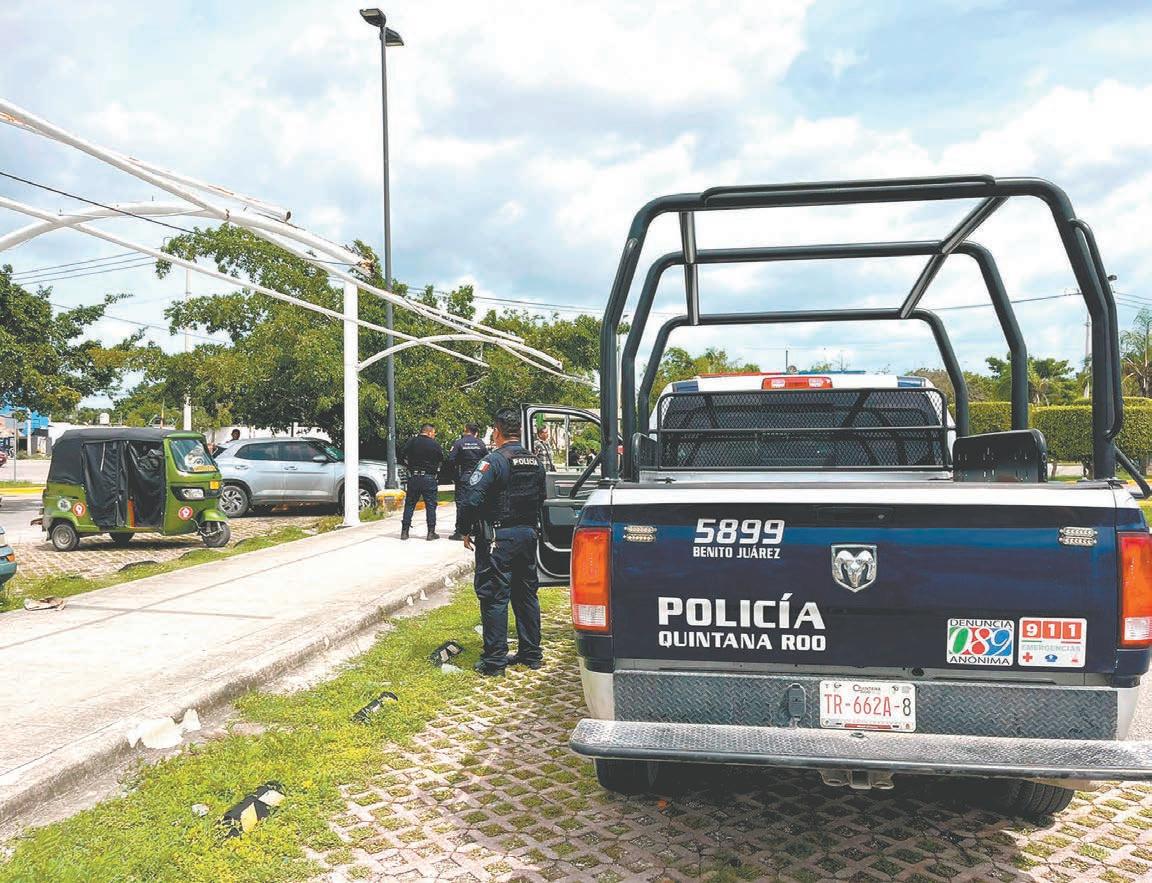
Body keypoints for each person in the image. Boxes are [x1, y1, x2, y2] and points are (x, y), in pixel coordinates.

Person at [464, 407, 547, 676]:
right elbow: (542, 498)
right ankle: (531, 654)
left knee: (494, 597)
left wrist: (465, 529)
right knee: (526, 595)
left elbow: (472, 499)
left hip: (498, 538)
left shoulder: (494, 461)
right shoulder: (535, 462)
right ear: (519, 431)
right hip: (527, 536)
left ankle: (495, 662)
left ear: (497, 432)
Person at [399, 423, 445, 541]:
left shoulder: (411, 442)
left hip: (414, 477)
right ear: (429, 432)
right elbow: (441, 459)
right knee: (430, 505)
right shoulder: (434, 444)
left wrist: (409, 466)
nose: (434, 435)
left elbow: (402, 455)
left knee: (410, 504)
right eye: (433, 433)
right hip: (429, 477)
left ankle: (404, 532)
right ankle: (431, 532)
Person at [446, 423, 488, 541]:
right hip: (478, 477)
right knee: (476, 502)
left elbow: (451, 460)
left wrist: (455, 472)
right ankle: (475, 529)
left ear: (465, 430)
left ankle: (460, 531)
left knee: (461, 503)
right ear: (476, 432)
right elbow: (487, 460)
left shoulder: (459, 443)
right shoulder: (480, 443)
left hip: (463, 476)